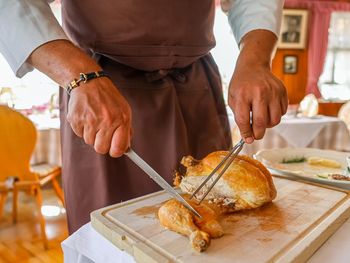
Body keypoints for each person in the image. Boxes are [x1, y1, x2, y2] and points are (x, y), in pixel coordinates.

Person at [0, 0, 288, 234]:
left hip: (197, 88)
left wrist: (255, 61)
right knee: (114, 239)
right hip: (101, 91)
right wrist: (77, 75)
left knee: (222, 228)